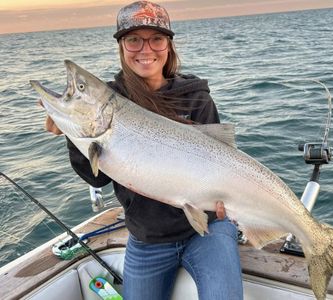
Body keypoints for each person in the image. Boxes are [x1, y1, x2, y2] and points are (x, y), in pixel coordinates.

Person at [44, 1, 243, 299]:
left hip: (207, 230)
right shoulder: (113, 99)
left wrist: (229, 199)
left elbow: (221, 158)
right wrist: (73, 133)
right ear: (122, 47)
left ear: (169, 46)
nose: (145, 48)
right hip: (148, 238)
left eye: (156, 38)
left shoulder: (196, 98)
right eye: (133, 39)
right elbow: (97, 179)